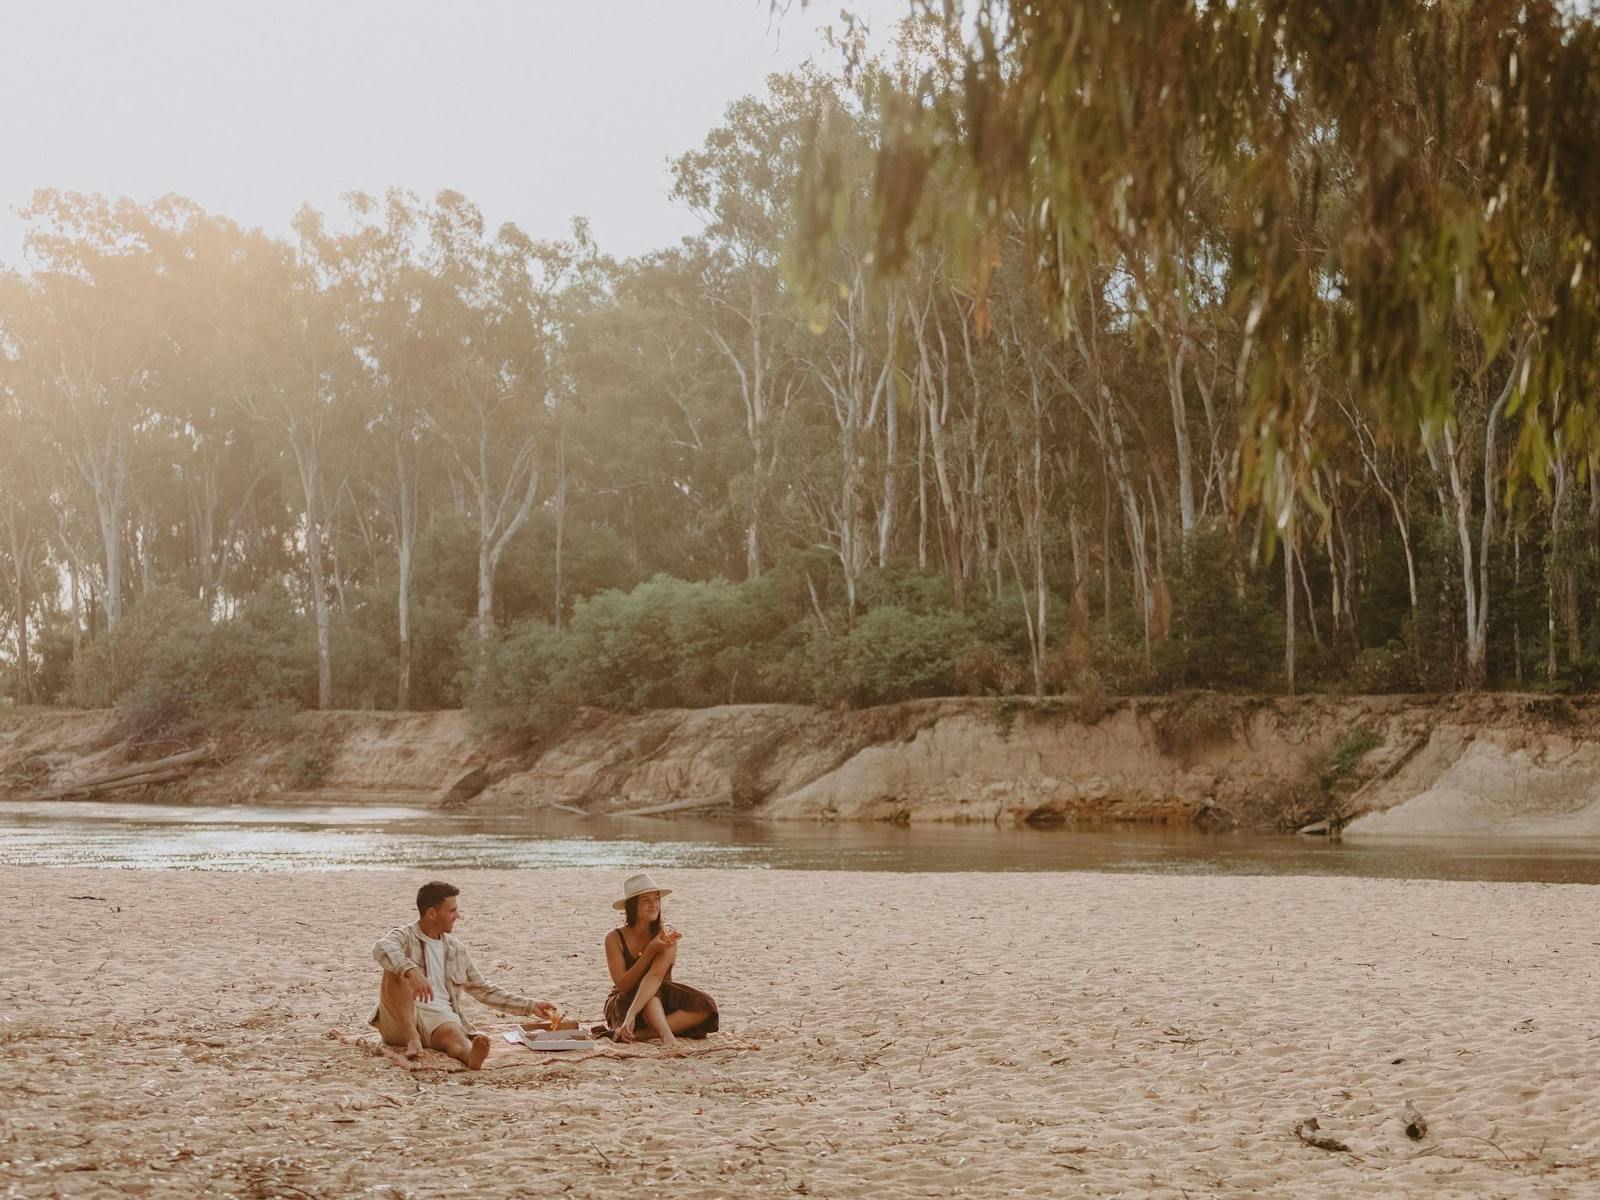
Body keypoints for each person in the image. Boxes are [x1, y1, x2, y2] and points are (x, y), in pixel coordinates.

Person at [371, 880, 559, 1069]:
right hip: (398, 1021)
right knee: (396, 969)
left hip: (438, 1018)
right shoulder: (405, 936)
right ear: (432, 913)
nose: (457, 916)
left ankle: (472, 1056)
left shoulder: (456, 949)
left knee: (455, 1037)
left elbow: (484, 990)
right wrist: (412, 971)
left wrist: (531, 1006)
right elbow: (381, 947)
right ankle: (412, 1035)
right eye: (452, 911)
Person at [601, 871, 718, 1047]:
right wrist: (650, 951)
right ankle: (667, 1036)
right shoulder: (614, 938)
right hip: (624, 1001)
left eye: (656, 899)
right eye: (646, 900)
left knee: (705, 1006)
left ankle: (640, 1035)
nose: (654, 905)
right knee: (648, 992)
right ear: (632, 906)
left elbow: (655, 976)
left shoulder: (666, 933)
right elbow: (623, 985)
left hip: (661, 999)